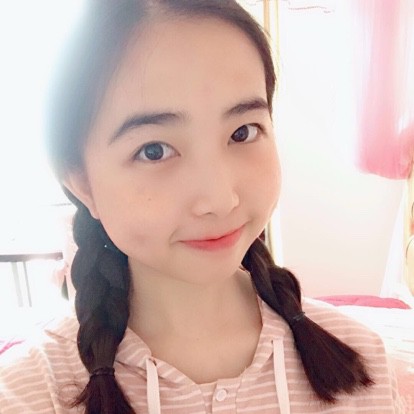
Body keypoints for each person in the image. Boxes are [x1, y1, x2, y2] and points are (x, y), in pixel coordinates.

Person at [0, 1, 405, 413]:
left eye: (242, 132)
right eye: (154, 150)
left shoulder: (361, 363)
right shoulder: (27, 395)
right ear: (82, 183)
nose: (219, 200)